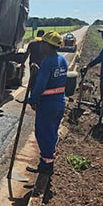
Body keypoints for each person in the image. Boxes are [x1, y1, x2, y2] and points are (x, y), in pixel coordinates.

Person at [27, 31, 69, 196]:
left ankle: (46, 165)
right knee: (51, 132)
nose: (40, 46)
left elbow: (41, 84)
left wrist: (33, 99)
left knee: (42, 133)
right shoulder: (62, 60)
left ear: (48, 46)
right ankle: (46, 163)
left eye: (42, 44)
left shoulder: (48, 62)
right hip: (59, 102)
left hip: (48, 104)